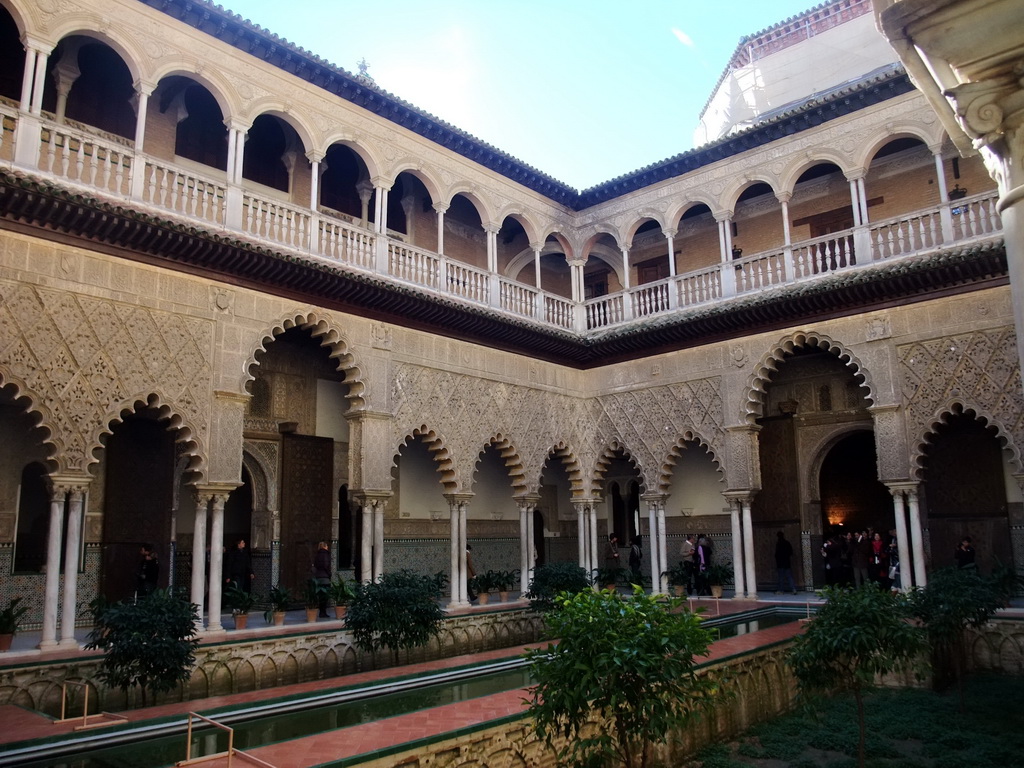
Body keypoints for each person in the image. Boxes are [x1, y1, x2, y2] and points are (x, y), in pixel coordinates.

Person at [312, 540, 331, 618]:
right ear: (325, 546)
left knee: (320, 596)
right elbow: (326, 565)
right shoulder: (325, 554)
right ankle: (323, 612)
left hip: (318, 577)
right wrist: (329, 574)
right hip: (324, 578)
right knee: (324, 596)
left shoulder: (317, 555)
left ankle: (321, 612)